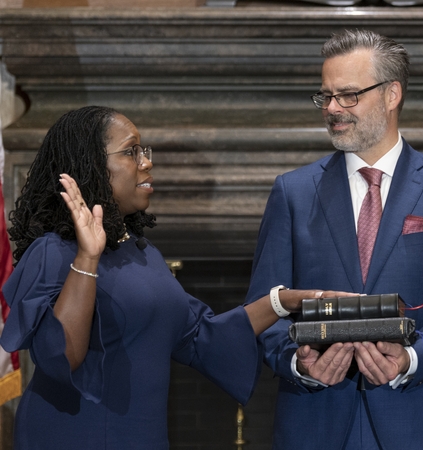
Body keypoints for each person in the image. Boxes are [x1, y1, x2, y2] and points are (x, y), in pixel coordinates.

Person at [0, 106, 348, 449]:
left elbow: (198, 335)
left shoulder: (142, 253)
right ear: (90, 164)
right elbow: (60, 357)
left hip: (142, 436)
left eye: (144, 151)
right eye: (131, 151)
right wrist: (88, 256)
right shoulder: (54, 251)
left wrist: (283, 301)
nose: (146, 162)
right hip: (73, 435)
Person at [246, 29, 423, 450]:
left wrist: (411, 357)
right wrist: (298, 364)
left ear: (392, 93)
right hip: (315, 421)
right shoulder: (292, 191)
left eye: (348, 95)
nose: (332, 109)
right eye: (325, 96)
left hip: (418, 421)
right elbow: (265, 310)